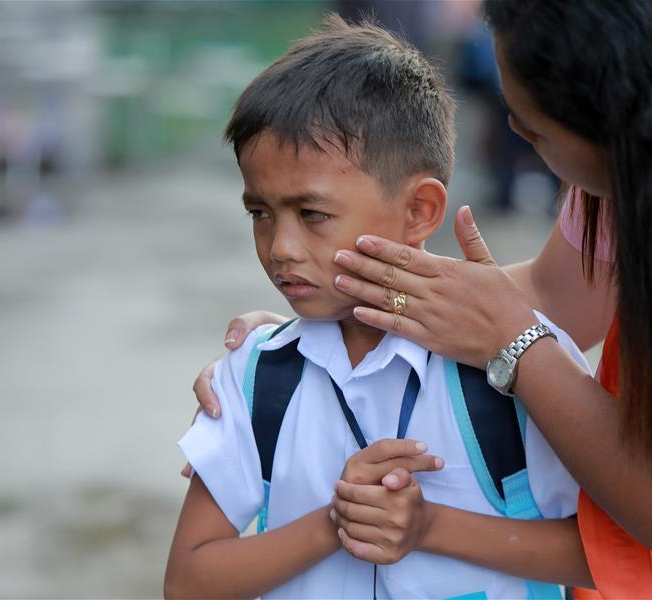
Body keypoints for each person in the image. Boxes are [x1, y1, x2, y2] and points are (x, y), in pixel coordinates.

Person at [193, 1, 652, 598]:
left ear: (633, 128)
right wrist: (298, 339)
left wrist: (517, 344)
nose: (523, 144)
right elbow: (557, 295)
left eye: (535, 134)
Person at [165, 15, 596, 599]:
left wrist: (428, 527)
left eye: (312, 215)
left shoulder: (519, 365)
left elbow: (606, 555)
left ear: (419, 211)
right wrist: (334, 522)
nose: (280, 248)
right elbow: (189, 582)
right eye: (259, 213)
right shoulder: (253, 377)